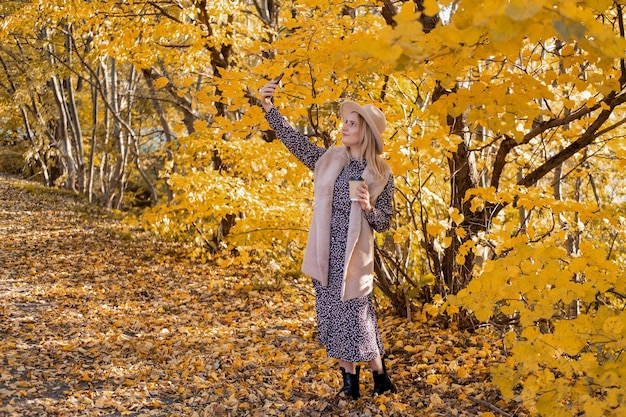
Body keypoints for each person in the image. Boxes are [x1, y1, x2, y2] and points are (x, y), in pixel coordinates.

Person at [259, 75, 396, 399]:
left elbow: (386, 221)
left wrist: (366, 207)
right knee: (335, 319)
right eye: (345, 122)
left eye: (352, 123)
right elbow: (296, 142)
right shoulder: (330, 159)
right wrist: (269, 107)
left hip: (355, 259)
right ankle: (349, 383)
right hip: (326, 254)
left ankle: (380, 375)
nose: (344, 127)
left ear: (366, 132)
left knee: (359, 320)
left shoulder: (381, 173)